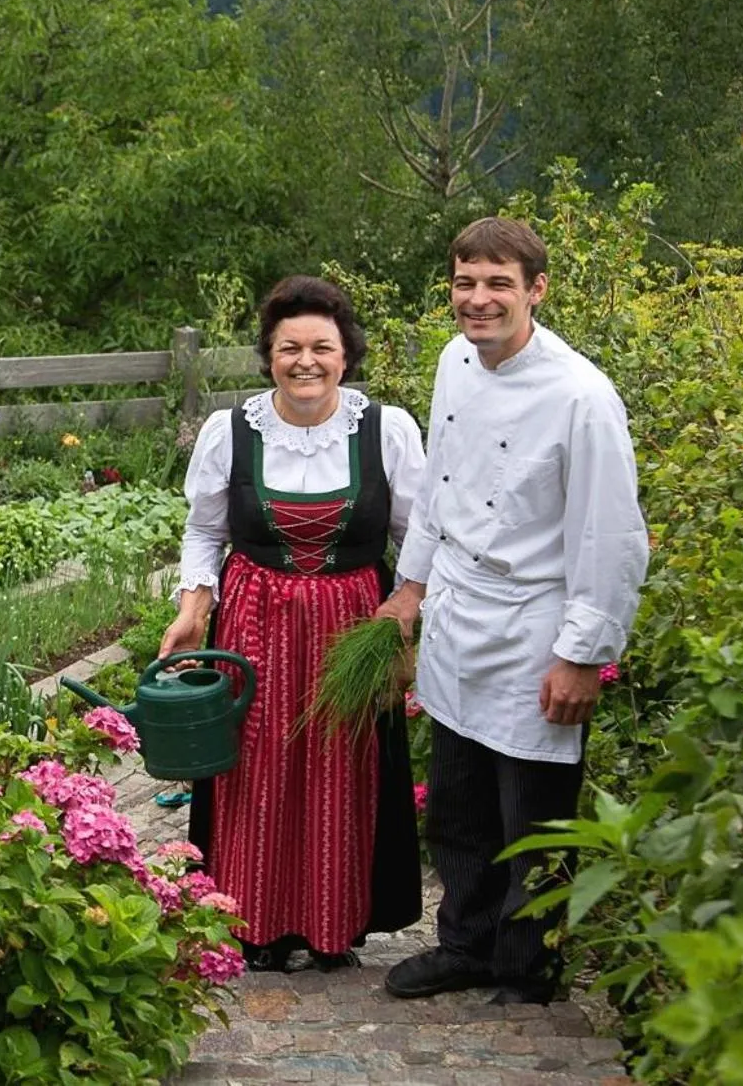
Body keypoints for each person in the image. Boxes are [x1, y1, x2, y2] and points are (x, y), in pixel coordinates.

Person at [378, 218, 648, 1007]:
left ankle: (529, 968)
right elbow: (437, 487)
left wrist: (581, 653)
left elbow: (611, 536)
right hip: (460, 607)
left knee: (531, 812)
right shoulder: (452, 362)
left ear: (536, 289)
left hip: (536, 621)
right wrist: (411, 585)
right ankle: (462, 942)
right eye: (465, 282)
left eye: (498, 283)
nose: (478, 299)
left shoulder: (581, 396)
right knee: (457, 803)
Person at [159, 275, 426, 972]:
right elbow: (202, 532)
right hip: (254, 622)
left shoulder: (385, 430)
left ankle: (333, 924)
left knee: (345, 767)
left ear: (345, 355)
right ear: (268, 355)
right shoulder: (230, 431)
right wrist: (193, 606)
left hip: (351, 624)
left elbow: (421, 534)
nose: (304, 360)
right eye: (288, 347)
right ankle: (254, 924)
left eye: (320, 347)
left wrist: (405, 612)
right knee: (256, 766)